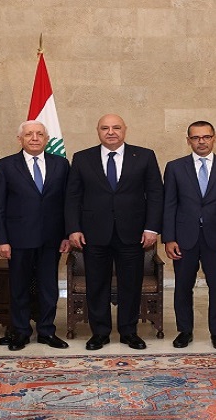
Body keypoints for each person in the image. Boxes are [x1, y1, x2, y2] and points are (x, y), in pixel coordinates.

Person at [66, 114, 163, 351]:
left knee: (131, 284)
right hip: (93, 234)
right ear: (98, 131)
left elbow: (155, 194)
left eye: (116, 127)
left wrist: (152, 228)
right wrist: (74, 228)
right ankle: (99, 333)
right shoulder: (82, 158)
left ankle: (129, 332)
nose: (111, 132)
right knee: (96, 284)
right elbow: (73, 197)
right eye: (105, 128)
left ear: (124, 130)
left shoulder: (144, 156)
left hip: (133, 233)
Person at [162, 121, 216, 350]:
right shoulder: (175, 167)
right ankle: (184, 331)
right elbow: (169, 205)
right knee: (182, 287)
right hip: (183, 239)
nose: (201, 142)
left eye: (206, 137)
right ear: (188, 140)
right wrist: (169, 238)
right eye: (196, 137)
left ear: (214, 138)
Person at [0, 121, 70, 351]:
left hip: (51, 238)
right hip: (18, 239)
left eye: (39, 134)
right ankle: (20, 331)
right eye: (29, 134)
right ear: (20, 139)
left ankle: (46, 331)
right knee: (19, 288)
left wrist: (67, 234)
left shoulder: (61, 164)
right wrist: (1, 239)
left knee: (49, 288)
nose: (34, 138)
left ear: (47, 139)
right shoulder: (5, 166)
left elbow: (68, 202)